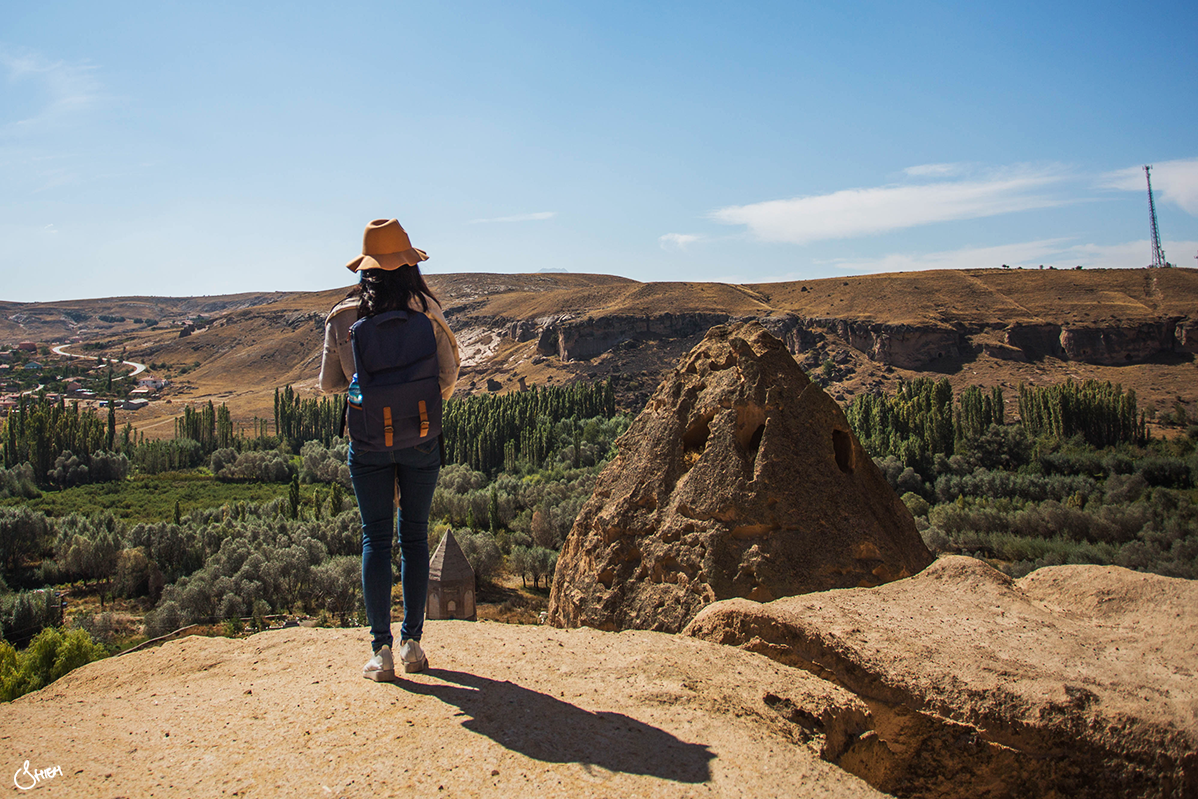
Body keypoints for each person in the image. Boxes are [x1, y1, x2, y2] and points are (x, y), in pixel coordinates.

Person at [319, 218, 460, 680]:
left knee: (375, 539)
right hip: (421, 438)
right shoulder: (428, 310)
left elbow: (329, 384)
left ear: (366, 267)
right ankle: (412, 645)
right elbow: (447, 378)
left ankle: (380, 652)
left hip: (368, 442)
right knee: (415, 537)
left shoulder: (343, 317)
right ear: (408, 264)